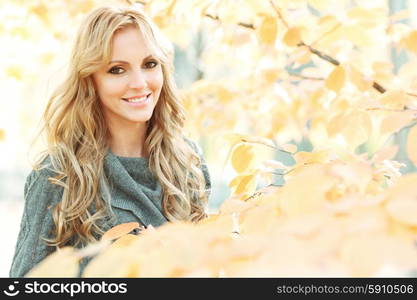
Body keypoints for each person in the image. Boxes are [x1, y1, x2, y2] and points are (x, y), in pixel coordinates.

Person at [9, 5, 211, 277]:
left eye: (149, 64)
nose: (140, 83)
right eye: (117, 70)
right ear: (91, 79)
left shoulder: (188, 162)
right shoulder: (59, 175)